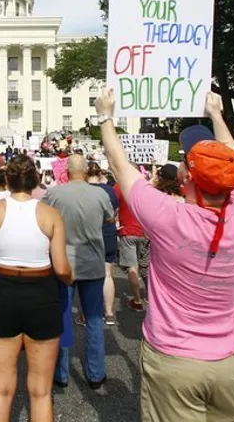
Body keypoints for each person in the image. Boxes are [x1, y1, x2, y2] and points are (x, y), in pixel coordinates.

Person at [98, 89, 234, 422]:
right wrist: (216, 115)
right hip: (228, 361)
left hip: (174, 358)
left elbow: (119, 165)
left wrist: (105, 116)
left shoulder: (169, 217)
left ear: (187, 176)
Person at [0, 154, 72, 422]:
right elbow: (62, 268)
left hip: (4, 290)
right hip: (42, 292)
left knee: (1, 388)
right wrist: (70, 280)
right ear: (36, 179)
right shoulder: (50, 214)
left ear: (7, 180)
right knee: (40, 391)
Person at [44, 155, 114, 389]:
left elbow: (42, 218)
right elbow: (110, 218)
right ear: (85, 171)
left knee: (62, 317)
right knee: (94, 319)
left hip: (63, 261)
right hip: (92, 261)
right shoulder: (100, 193)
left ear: (67, 171)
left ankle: (61, 373)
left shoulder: (55, 194)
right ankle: (95, 373)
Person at [87, 163, 119, 324]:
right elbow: (115, 213)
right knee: (107, 274)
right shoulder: (110, 190)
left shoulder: (83, 190)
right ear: (100, 174)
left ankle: (90, 313)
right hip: (108, 233)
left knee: (89, 277)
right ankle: (109, 312)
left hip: (88, 235)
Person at [116, 175, 149, 312]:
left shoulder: (118, 187)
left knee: (132, 268)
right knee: (146, 267)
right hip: (145, 232)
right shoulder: (146, 188)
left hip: (127, 231)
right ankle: (151, 296)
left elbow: (114, 208)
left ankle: (137, 300)